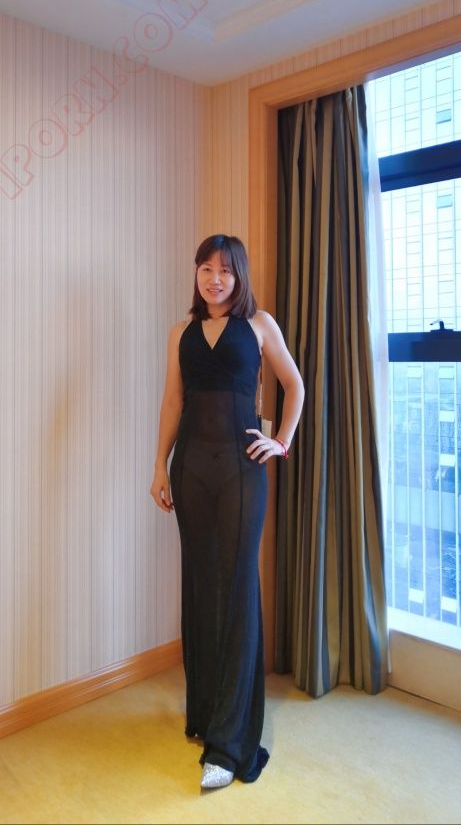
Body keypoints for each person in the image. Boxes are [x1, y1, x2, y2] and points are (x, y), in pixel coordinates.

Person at [149, 233, 305, 789]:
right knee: (200, 586)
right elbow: (173, 401)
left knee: (237, 589)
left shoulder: (259, 325)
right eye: (206, 269)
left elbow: (294, 385)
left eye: (225, 270)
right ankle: (206, 713)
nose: (215, 279)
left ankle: (230, 742)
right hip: (190, 466)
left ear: (239, 276)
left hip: (241, 471)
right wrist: (159, 464)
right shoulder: (181, 333)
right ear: (196, 274)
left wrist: (280, 442)